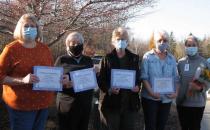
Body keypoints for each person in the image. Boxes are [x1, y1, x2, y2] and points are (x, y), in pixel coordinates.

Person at [0, 13, 56, 130]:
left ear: (37, 29)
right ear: (20, 28)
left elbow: (51, 71)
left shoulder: (44, 49)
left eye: (33, 26)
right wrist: (22, 80)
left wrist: (59, 79)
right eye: (26, 26)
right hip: (21, 106)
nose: (29, 28)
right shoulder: (11, 49)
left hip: (44, 103)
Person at [98, 27, 141, 130]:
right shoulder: (107, 58)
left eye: (123, 39)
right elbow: (101, 79)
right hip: (111, 104)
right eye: (118, 39)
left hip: (129, 103)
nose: (121, 42)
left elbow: (138, 78)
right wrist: (109, 89)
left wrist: (138, 87)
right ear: (113, 41)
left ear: (127, 41)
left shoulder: (134, 58)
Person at [141, 30, 179, 130]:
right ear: (154, 41)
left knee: (161, 126)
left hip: (166, 99)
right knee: (150, 126)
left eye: (165, 40)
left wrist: (176, 92)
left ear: (168, 42)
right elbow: (144, 77)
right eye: (159, 40)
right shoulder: (147, 57)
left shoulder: (172, 58)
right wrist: (151, 92)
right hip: (150, 98)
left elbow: (176, 78)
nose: (162, 42)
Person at [55, 32, 94, 130]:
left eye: (79, 42)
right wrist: (64, 84)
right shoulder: (61, 60)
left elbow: (92, 81)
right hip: (67, 106)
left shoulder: (88, 60)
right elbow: (54, 82)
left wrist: (96, 74)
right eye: (73, 42)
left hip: (85, 105)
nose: (76, 45)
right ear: (67, 45)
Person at [176, 35, 210, 130]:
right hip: (182, 103)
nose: (191, 47)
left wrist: (199, 88)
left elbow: (208, 83)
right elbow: (178, 81)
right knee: (184, 127)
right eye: (188, 45)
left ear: (197, 46)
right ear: (185, 47)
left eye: (193, 45)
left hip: (197, 104)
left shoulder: (204, 63)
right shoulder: (180, 63)